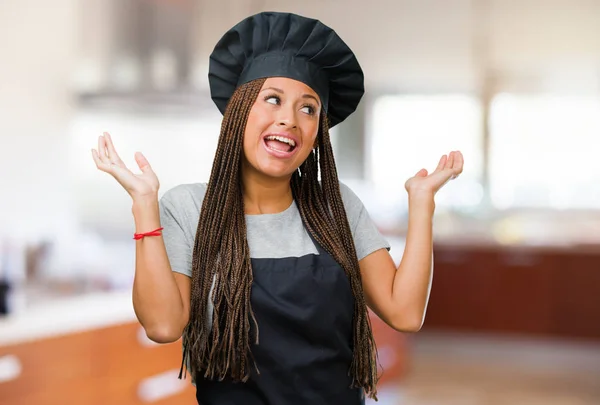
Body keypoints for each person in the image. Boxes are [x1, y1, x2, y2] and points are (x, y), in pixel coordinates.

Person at [92, 11, 463, 405]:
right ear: (239, 111)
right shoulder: (188, 208)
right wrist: (144, 205)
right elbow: (164, 325)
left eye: (309, 109)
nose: (289, 119)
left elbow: (405, 313)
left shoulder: (335, 209)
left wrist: (422, 203)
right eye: (273, 99)